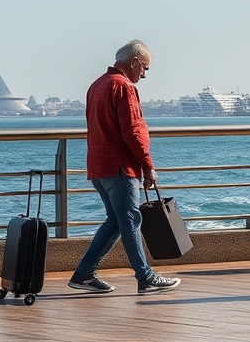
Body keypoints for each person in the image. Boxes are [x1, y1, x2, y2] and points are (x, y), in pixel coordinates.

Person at [68, 40, 181, 295]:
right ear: (133, 62)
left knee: (116, 221)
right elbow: (133, 131)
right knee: (130, 220)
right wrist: (148, 166)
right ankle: (146, 277)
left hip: (99, 166)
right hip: (120, 167)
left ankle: (84, 274)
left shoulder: (97, 85)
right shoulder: (123, 86)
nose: (144, 74)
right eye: (145, 68)